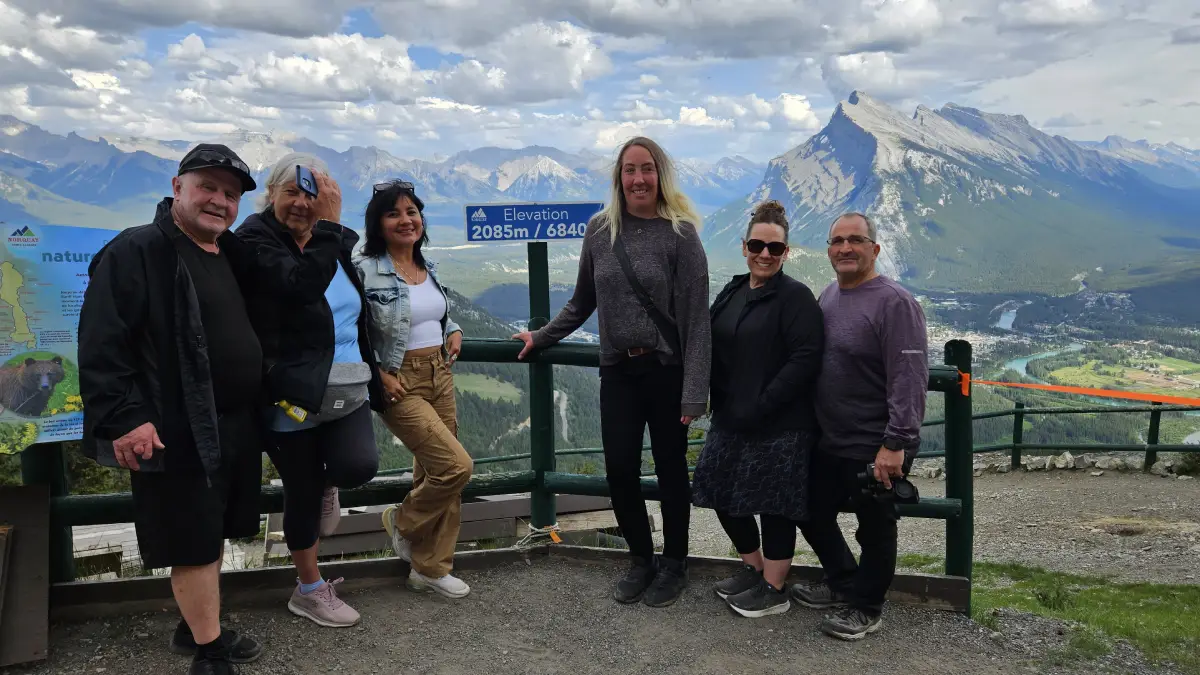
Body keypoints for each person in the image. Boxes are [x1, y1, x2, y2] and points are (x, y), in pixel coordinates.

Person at [79, 143, 265, 675]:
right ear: (177, 187)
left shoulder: (228, 253)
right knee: (192, 538)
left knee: (209, 531)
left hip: (230, 422)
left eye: (230, 195)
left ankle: (194, 625)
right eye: (207, 187)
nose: (220, 202)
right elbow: (101, 343)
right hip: (172, 424)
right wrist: (124, 418)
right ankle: (208, 653)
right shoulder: (137, 251)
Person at [513, 136, 711, 608]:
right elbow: (583, 301)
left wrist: (694, 392)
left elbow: (696, 322)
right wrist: (541, 337)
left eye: (646, 169)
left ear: (660, 175)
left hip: (665, 371)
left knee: (669, 473)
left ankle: (675, 563)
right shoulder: (601, 230)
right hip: (617, 371)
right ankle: (641, 560)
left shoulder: (681, 234)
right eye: (629, 170)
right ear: (618, 177)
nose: (638, 179)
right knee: (620, 469)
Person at [235, 153, 385, 628]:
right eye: (292, 193)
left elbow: (356, 313)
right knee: (300, 490)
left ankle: (328, 483)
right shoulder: (254, 241)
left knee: (356, 465)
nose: (302, 204)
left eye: (311, 195)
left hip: (346, 384)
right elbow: (299, 287)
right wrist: (332, 225)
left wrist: (374, 373)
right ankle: (308, 588)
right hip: (289, 393)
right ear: (271, 196)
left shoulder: (328, 244)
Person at [794, 212, 929, 641]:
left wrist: (897, 443)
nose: (845, 248)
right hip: (830, 436)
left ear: (875, 248)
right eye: (837, 241)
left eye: (855, 240)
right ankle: (844, 583)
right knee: (809, 510)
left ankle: (867, 607)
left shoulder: (895, 302)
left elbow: (910, 375)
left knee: (874, 528)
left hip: (876, 442)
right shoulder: (829, 295)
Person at [691, 200, 824, 619]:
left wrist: (763, 404)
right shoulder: (732, 290)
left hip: (781, 423)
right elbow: (709, 344)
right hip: (731, 415)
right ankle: (754, 567)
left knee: (773, 503)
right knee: (720, 492)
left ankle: (775, 587)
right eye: (757, 245)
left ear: (787, 252)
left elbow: (805, 359)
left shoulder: (796, 298)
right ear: (744, 245)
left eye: (775, 248)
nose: (764, 254)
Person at [354, 180, 472, 599]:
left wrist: (452, 328)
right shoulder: (364, 268)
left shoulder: (425, 264)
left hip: (440, 372)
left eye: (411, 212)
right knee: (456, 466)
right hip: (397, 380)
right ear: (378, 223)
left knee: (437, 473)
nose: (406, 220)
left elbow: (430, 311)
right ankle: (401, 522)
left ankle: (429, 569)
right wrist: (376, 373)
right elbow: (350, 326)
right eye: (394, 213)